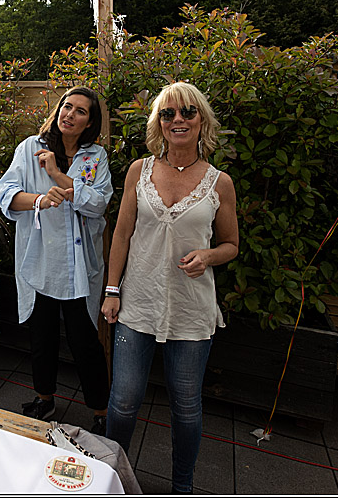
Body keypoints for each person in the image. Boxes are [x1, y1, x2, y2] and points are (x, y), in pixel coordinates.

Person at [102, 82, 239, 494]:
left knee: (186, 407)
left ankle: (182, 487)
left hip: (191, 309)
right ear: (158, 123)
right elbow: (122, 233)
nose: (177, 120)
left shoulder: (220, 183)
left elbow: (231, 245)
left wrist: (209, 256)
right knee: (123, 401)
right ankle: (112, 479)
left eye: (187, 112)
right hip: (137, 304)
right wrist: (111, 290)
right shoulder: (138, 171)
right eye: (168, 114)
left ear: (202, 121)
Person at [0, 86, 113, 433]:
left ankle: (101, 411)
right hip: (42, 260)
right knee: (42, 337)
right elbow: (5, 193)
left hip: (78, 266)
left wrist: (60, 177)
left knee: (85, 341)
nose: (70, 114)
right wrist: (39, 200)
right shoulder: (31, 147)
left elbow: (98, 203)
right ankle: (44, 398)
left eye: (80, 111)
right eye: (67, 106)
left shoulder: (95, 157)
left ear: (90, 122)